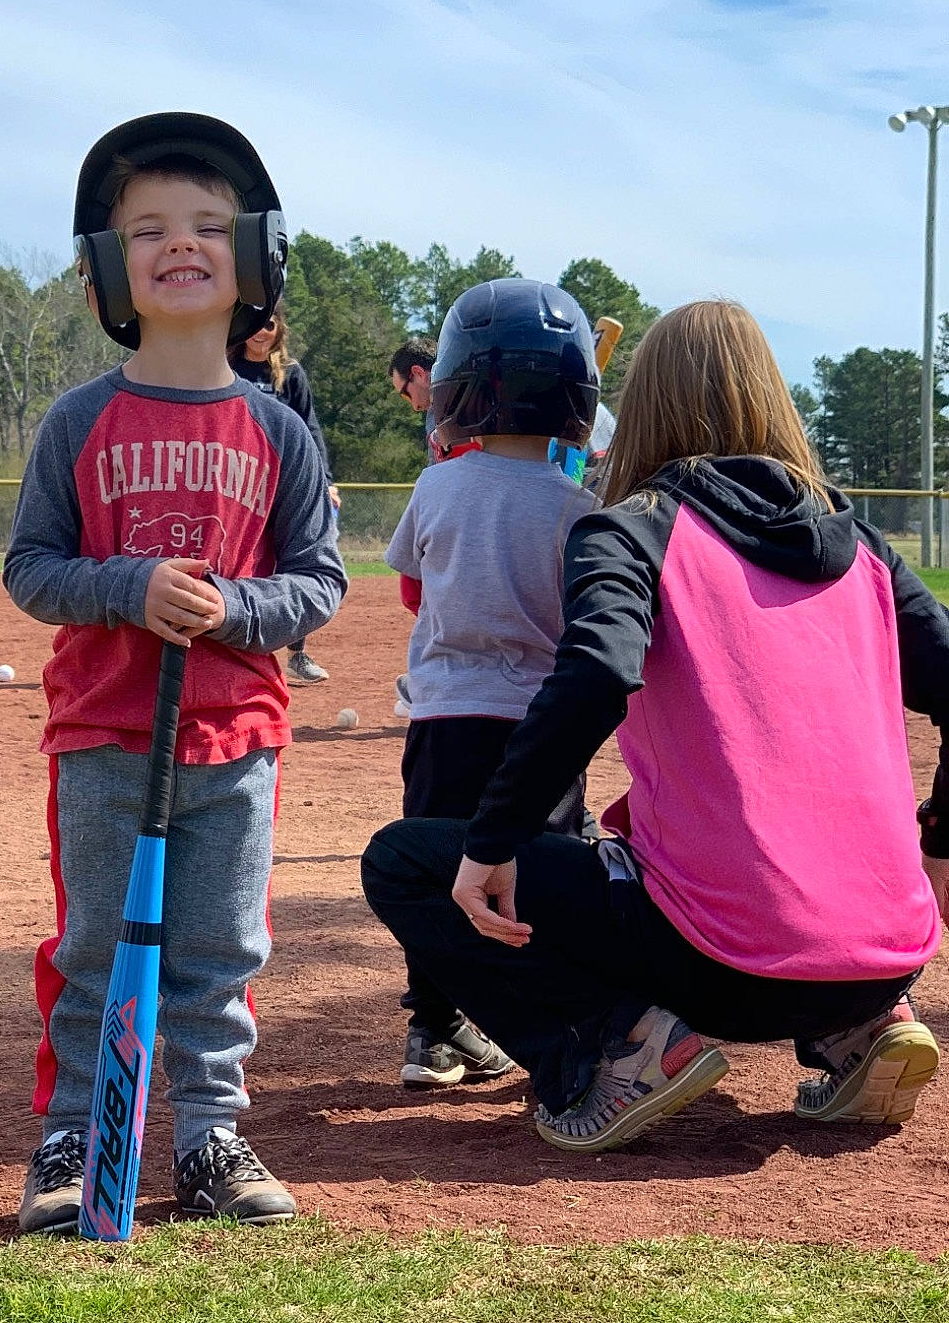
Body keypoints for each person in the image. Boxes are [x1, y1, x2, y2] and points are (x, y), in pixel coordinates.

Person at [363, 300, 946, 1154]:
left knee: (406, 861)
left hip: (721, 965)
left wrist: (490, 843)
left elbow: (596, 671)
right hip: (893, 951)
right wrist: (939, 836)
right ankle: (860, 1027)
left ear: (642, 405)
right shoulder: (864, 545)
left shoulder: (633, 528)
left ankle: (614, 1049)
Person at [4, 112, 346, 1234]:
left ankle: (205, 1135)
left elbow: (319, 581)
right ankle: (73, 1136)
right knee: (96, 939)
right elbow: (32, 567)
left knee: (220, 948)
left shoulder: (280, 432)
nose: (179, 243)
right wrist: (126, 585)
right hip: (105, 736)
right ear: (112, 266)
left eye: (208, 224)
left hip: (237, 739)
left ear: (253, 256)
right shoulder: (78, 420)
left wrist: (236, 608)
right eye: (147, 228)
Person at [379, 281, 601, 1091]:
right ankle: (554, 1024)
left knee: (440, 865)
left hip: (442, 716)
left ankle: (434, 1031)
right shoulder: (582, 503)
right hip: (542, 724)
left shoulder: (436, 484)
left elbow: (413, 586)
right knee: (537, 872)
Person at [231, 302, 338, 685]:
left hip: (284, 482)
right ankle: (236, 639)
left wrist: (325, 482)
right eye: (257, 325)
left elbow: (310, 430)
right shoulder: (227, 370)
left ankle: (298, 654)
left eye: (270, 325)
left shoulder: (290, 375)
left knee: (295, 564)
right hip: (239, 480)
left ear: (280, 330)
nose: (263, 332)